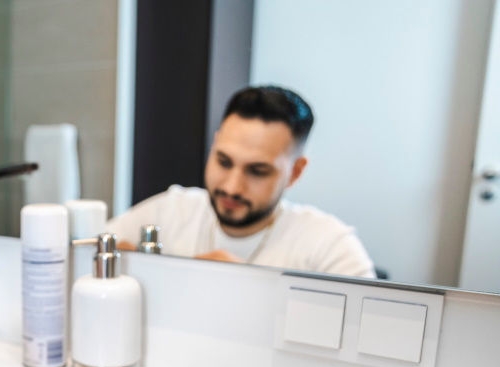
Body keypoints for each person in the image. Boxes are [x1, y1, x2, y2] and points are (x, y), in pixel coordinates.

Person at [108, 86, 376, 278]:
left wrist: (251, 285)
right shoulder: (172, 210)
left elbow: (374, 342)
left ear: (295, 172)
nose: (232, 187)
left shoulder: (328, 246)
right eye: (223, 161)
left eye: (257, 171)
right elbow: (87, 252)